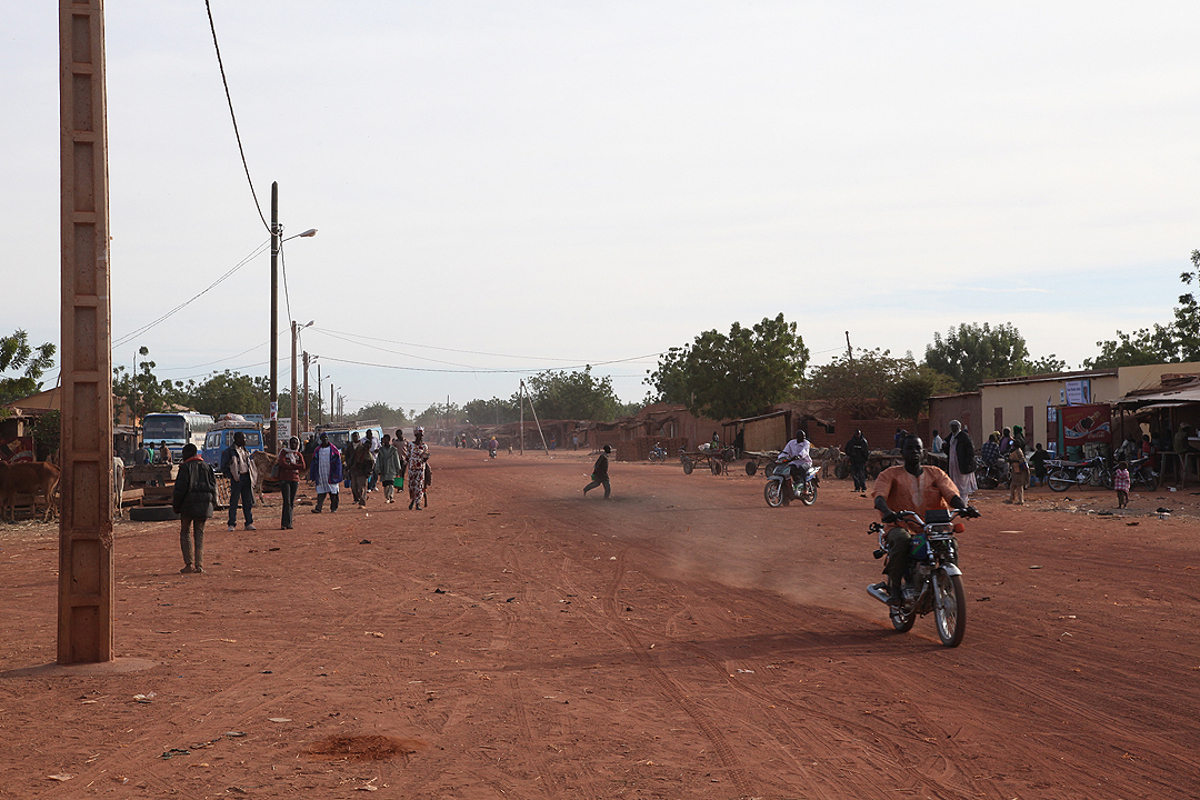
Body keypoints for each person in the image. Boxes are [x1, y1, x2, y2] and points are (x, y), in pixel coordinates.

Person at [873, 435, 977, 606]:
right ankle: (897, 589)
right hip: (900, 525)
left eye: (918, 448)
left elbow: (951, 494)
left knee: (951, 544)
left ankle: (947, 584)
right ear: (902, 453)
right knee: (901, 540)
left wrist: (964, 508)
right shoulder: (890, 474)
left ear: (923, 452)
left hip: (932, 528)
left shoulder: (935, 473)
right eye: (910, 448)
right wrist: (887, 511)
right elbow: (879, 497)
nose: (914, 452)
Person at [172, 443, 216, 574]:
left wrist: (176, 506)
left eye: (184, 454)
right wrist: (212, 503)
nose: (183, 456)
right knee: (199, 535)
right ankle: (199, 565)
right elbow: (213, 487)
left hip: (188, 506)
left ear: (188, 453)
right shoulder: (207, 467)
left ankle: (189, 563)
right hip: (204, 506)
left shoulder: (185, 468)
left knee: (185, 533)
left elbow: (180, 490)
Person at [219, 431, 257, 531]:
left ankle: (249, 523)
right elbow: (224, 466)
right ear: (237, 440)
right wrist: (231, 475)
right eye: (243, 439)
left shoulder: (246, 451)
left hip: (247, 478)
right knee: (234, 502)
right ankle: (231, 524)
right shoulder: (229, 452)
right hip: (237, 479)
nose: (245, 441)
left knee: (247, 502)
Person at [276, 436, 306, 530]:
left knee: (291, 502)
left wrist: (291, 465)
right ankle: (284, 523)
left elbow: (303, 466)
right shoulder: (284, 452)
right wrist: (295, 466)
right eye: (292, 443)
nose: (294, 445)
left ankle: (289, 523)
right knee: (287, 502)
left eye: (295, 443)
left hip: (295, 480)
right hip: (285, 479)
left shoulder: (298, 454)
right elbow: (282, 463)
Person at [777, 429, 813, 506]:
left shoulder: (806, 443)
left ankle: (805, 487)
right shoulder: (791, 443)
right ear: (797, 437)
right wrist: (781, 457)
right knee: (787, 470)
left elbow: (805, 451)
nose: (802, 439)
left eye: (803, 437)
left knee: (802, 469)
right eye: (801, 437)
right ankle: (787, 493)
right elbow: (786, 451)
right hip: (794, 462)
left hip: (805, 462)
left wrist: (799, 455)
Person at [309, 432, 342, 513]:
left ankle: (334, 508)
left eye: (326, 437)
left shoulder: (334, 450)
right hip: (321, 474)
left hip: (331, 474)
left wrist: (337, 473)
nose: (325, 439)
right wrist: (312, 476)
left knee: (333, 493)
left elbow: (338, 463)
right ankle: (318, 508)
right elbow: (313, 463)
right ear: (320, 439)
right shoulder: (317, 450)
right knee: (321, 492)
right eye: (323, 437)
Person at [944, 420, 977, 500]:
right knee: (954, 480)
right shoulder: (951, 436)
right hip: (953, 463)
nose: (953, 428)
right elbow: (946, 444)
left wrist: (968, 462)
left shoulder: (964, 436)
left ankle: (963, 499)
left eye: (955, 426)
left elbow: (970, 450)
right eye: (952, 426)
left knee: (963, 481)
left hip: (962, 463)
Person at [405, 426, 431, 510]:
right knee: (411, 486)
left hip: (420, 469)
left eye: (421, 435)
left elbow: (425, 458)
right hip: (412, 468)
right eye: (419, 434)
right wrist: (403, 467)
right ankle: (412, 501)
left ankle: (418, 504)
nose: (420, 436)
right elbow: (408, 456)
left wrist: (426, 458)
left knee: (419, 486)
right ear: (415, 435)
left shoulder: (425, 446)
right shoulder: (411, 445)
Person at [372, 434, 403, 504]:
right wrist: (378, 469)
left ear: (389, 440)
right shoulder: (381, 450)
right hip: (384, 470)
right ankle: (387, 497)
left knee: (391, 484)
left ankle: (391, 497)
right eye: (383, 439)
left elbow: (396, 460)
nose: (384, 441)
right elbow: (378, 461)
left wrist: (398, 468)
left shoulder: (393, 450)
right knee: (385, 485)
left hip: (392, 469)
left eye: (385, 439)